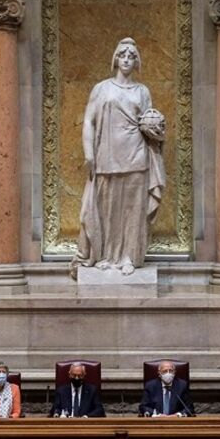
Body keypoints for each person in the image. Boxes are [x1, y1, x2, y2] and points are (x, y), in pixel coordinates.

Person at [75, 37, 166, 275]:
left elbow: (149, 121)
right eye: (122, 55)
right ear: (115, 59)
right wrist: (89, 153)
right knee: (107, 208)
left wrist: (157, 129)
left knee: (133, 210)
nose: (126, 60)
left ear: (137, 62)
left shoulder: (142, 91)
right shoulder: (102, 88)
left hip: (136, 155)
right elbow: (88, 121)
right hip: (106, 155)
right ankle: (106, 255)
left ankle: (129, 256)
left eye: (131, 57)